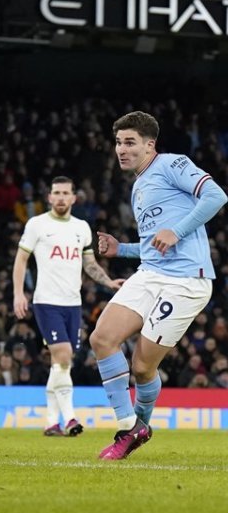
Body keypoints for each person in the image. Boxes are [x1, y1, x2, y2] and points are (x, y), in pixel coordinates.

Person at [93, 111, 227, 460]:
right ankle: (130, 427)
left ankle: (140, 425)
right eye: (119, 142)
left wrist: (178, 230)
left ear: (149, 145)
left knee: (141, 368)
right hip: (150, 273)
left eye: (130, 142)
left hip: (186, 282)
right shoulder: (139, 186)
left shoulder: (171, 164)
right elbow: (157, 244)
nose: (121, 149)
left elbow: (216, 196)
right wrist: (120, 249)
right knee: (101, 338)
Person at [13, 176, 123, 438]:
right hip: (46, 302)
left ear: (74, 198)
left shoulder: (82, 228)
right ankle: (70, 418)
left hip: (73, 304)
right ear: (49, 197)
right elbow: (21, 260)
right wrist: (18, 294)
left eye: (66, 193)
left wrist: (108, 282)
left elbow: (89, 264)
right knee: (63, 355)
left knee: (61, 364)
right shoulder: (37, 225)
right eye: (56, 193)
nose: (61, 197)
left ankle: (51, 422)